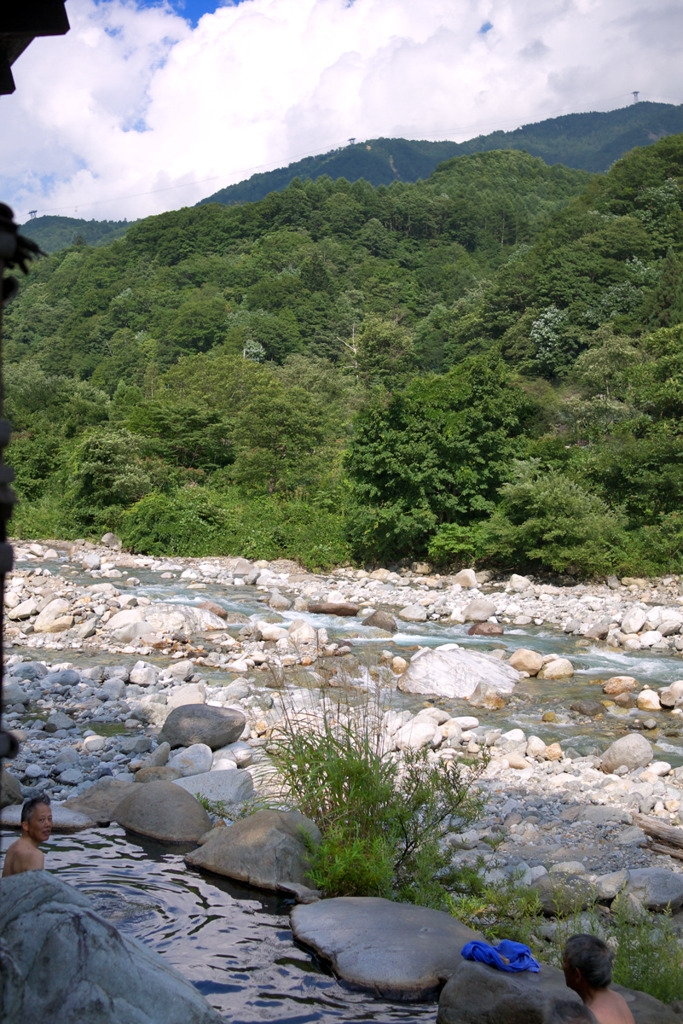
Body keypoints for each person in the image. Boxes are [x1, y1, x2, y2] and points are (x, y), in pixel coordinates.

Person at [563, 934, 635, 1024]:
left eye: (565, 961)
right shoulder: (617, 998)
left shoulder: (589, 1019)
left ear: (578, 975)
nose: (563, 965)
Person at [1, 795, 53, 877]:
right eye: (41, 820)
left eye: (49, 819)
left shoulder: (13, 847)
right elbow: (36, 888)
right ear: (25, 826)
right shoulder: (34, 855)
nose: (47, 824)